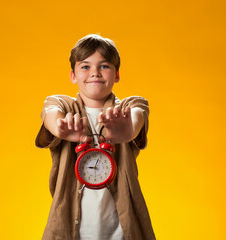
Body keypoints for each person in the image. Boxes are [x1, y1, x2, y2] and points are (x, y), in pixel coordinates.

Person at [35, 34, 156, 240]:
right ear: (72, 75)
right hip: (69, 230)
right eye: (85, 67)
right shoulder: (64, 107)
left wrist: (127, 130)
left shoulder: (127, 109)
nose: (95, 73)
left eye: (104, 66)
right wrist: (60, 128)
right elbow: (50, 111)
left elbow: (138, 115)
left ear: (116, 74)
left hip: (123, 232)